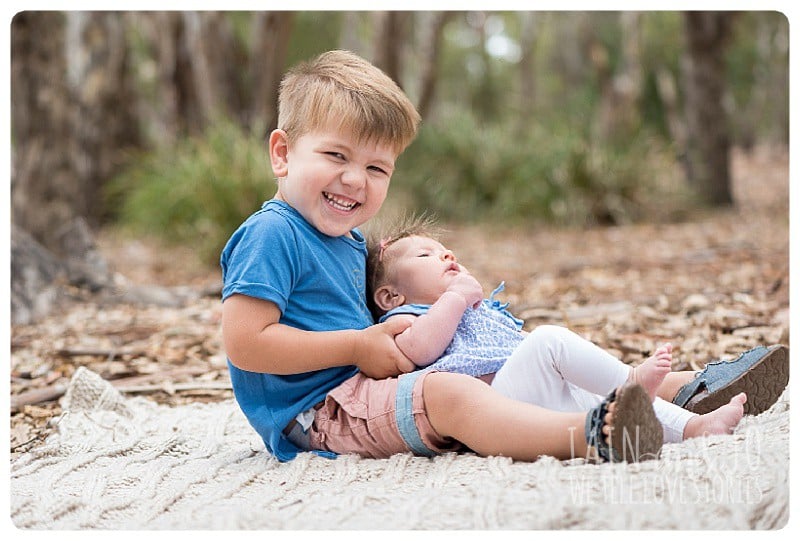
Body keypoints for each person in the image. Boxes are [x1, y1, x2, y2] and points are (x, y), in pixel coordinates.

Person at [220, 49, 663, 465]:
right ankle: (592, 434)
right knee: (448, 394)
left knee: (507, 364)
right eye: (336, 155)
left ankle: (680, 392)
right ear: (282, 153)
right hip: (317, 413)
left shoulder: (348, 241)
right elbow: (245, 343)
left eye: (377, 168)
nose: (355, 179)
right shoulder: (272, 233)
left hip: (362, 388)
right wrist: (357, 346)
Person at [366, 216, 788, 443]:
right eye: (426, 254)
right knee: (550, 339)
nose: (446, 256)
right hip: (496, 408)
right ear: (391, 296)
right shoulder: (408, 317)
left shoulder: (471, 311)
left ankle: (695, 427)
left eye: (447, 252)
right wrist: (454, 298)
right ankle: (634, 379)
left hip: (536, 396)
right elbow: (418, 353)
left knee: (601, 400)